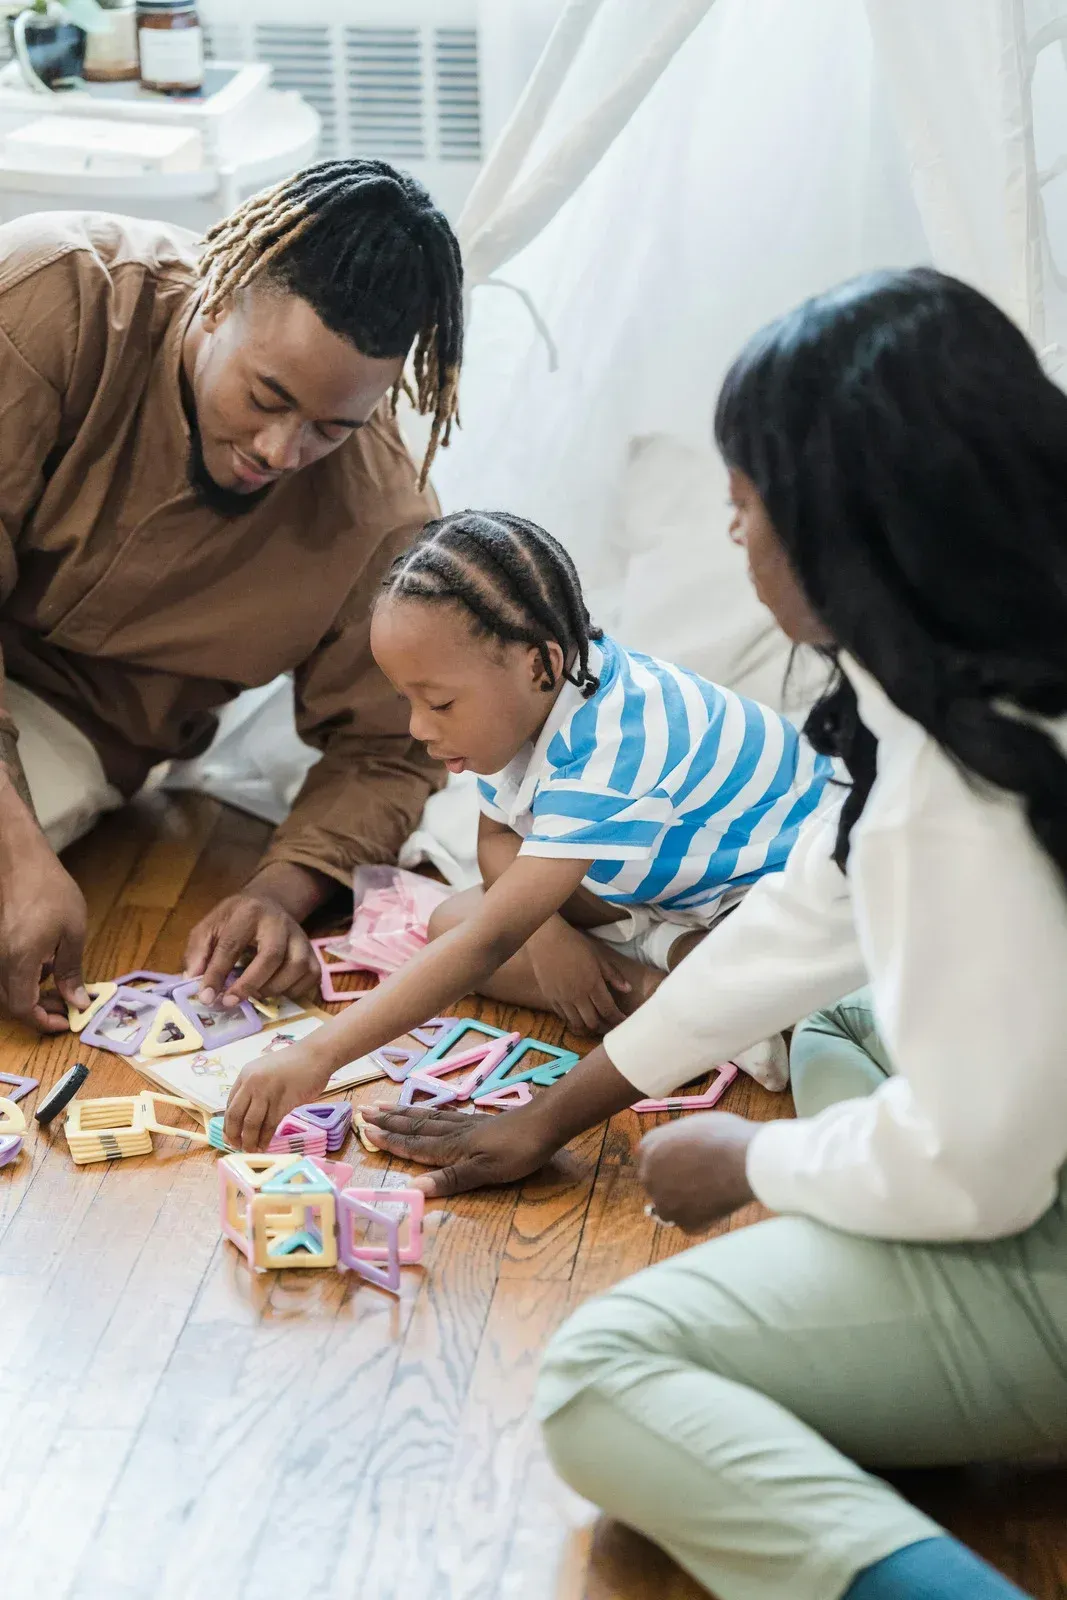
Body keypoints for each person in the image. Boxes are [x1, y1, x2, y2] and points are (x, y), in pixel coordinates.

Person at [529, 269, 1067, 1600]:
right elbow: (806, 921)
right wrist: (559, 1111)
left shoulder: (955, 799)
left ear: (843, 531)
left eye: (744, 506)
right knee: (831, 1017)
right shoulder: (962, 680)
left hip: (1033, 1232)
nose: (731, 537)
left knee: (598, 1375)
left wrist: (758, 1162)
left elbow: (976, 1180)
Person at [0, 158, 463, 1035]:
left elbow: (387, 750)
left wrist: (277, 892)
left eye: (333, 428)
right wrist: (17, 854)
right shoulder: (46, 292)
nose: (282, 450)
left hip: (81, 725)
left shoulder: (383, 514)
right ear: (214, 298)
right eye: (266, 396)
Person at [222, 508, 833, 1151]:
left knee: (476, 938)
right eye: (407, 700)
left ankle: (708, 998)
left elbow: (490, 941)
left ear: (540, 664)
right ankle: (672, 980)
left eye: (440, 704)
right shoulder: (535, 702)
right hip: (666, 886)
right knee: (448, 924)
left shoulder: (615, 743)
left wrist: (318, 1055)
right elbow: (497, 840)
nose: (418, 730)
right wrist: (550, 940)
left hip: (769, 894)